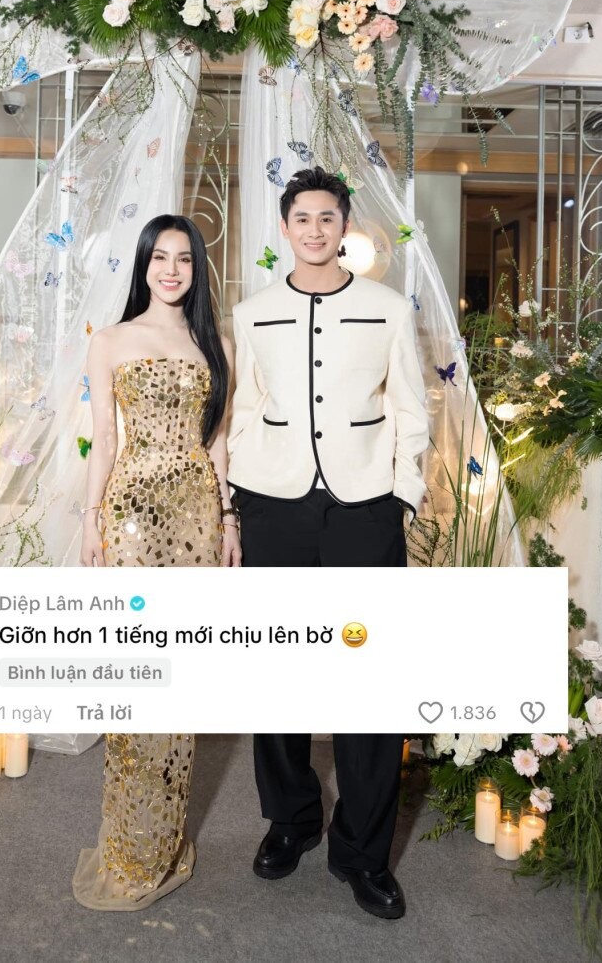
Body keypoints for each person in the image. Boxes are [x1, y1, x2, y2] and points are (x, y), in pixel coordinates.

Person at [227, 166, 429, 920]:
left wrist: (401, 493)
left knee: (370, 685)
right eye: (302, 218)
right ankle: (291, 820)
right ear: (285, 228)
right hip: (272, 504)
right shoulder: (252, 313)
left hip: (364, 508)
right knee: (277, 675)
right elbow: (244, 409)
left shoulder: (387, 309)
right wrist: (236, 501)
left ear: (346, 227)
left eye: (328, 218)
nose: (315, 230)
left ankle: (363, 853)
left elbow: (411, 408)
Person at [73, 214, 241, 911]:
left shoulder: (216, 344)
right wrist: (92, 520)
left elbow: (218, 443)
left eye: (184, 259)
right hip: (132, 520)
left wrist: (228, 519)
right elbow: (104, 438)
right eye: (160, 258)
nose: (171, 270)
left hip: (198, 517)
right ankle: (130, 845)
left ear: (197, 269)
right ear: (143, 265)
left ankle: (163, 839)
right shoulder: (110, 340)